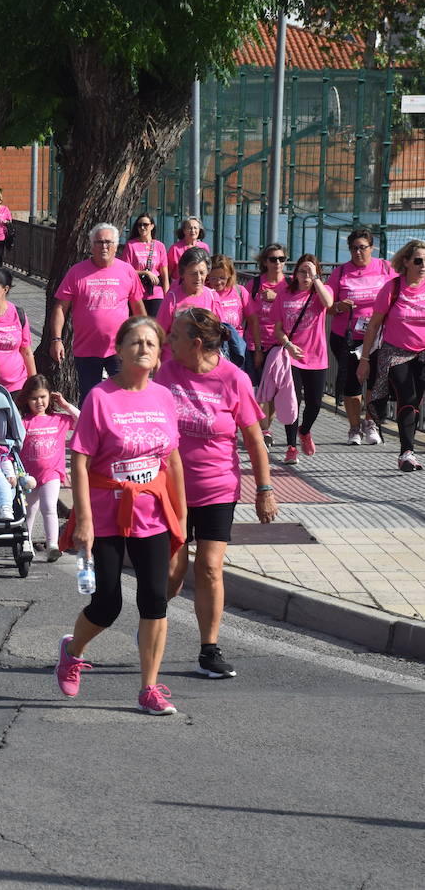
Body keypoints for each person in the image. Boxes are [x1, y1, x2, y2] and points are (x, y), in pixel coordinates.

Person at [56, 315, 186, 715]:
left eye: (151, 342)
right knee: (107, 603)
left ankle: (149, 688)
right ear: (119, 349)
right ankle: (73, 650)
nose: (144, 348)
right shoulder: (101, 397)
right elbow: (79, 462)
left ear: (159, 352)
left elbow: (173, 461)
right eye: (136, 342)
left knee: (155, 600)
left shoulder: (164, 397)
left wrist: (180, 518)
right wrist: (85, 521)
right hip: (107, 511)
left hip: (152, 512)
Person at [157, 308, 277, 679]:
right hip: (171, 489)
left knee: (209, 566)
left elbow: (255, 440)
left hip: (217, 487)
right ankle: (152, 626)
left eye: (174, 335)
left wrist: (265, 489)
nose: (168, 341)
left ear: (195, 343)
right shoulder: (167, 372)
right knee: (173, 574)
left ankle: (209, 649)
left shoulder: (233, 379)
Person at [47, 223, 146, 403]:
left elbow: (138, 308)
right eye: (99, 242)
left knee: (123, 396)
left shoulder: (127, 271)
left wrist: (145, 339)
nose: (104, 246)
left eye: (108, 242)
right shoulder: (76, 272)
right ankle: (91, 430)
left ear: (116, 245)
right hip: (87, 349)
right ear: (92, 245)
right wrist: (56, 340)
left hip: (120, 348)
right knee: (90, 398)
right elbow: (61, 308)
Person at [358, 239, 425, 471]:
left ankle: (409, 449)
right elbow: (374, 325)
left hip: (423, 354)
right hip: (395, 353)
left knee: (416, 401)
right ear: (405, 262)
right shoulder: (393, 288)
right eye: (418, 261)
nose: (423, 265)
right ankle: (406, 452)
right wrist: (365, 360)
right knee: (407, 396)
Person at [327, 228, 395, 445]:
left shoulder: (385, 268)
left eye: (362, 248)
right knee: (351, 383)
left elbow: (401, 293)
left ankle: (371, 423)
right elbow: (327, 305)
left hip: (378, 337)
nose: (358, 252)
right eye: (354, 248)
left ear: (371, 248)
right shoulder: (340, 272)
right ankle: (354, 428)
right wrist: (338, 306)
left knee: (375, 383)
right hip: (347, 336)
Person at [272, 254, 332, 465]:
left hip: (316, 358)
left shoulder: (320, 293)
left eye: (310, 272)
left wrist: (316, 278)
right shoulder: (284, 295)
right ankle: (291, 447)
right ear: (295, 273)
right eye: (302, 271)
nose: (306, 276)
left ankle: (304, 431)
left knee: (315, 403)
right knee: (293, 402)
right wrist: (288, 345)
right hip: (292, 358)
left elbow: (330, 303)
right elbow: (277, 329)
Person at [17, 375, 76, 563]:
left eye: (43, 397)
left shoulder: (59, 419)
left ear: (50, 396)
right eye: (34, 398)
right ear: (27, 400)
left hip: (51, 473)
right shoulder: (23, 422)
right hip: (28, 476)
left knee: (49, 507)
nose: (39, 402)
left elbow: (85, 420)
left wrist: (65, 405)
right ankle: (25, 543)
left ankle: (53, 545)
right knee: (29, 510)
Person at [0, 268, 36, 392]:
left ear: (5, 289)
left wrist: (34, 385)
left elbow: (26, 351)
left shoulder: (18, 313)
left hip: (18, 385)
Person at [246, 243, 287, 393]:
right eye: (273, 259)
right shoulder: (254, 285)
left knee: (276, 391)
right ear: (265, 262)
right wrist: (257, 349)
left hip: (280, 345)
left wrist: (276, 298)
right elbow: (248, 316)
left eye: (281, 259)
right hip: (256, 344)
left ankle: (268, 418)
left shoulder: (290, 285)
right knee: (257, 391)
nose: (278, 263)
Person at [155, 247, 219, 340]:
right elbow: (160, 334)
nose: (198, 277)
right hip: (175, 352)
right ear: (182, 273)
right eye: (193, 273)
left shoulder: (212, 296)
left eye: (202, 273)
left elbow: (217, 333)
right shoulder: (172, 298)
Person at [122, 213, 168, 318]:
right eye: (139, 225)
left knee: (154, 325)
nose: (142, 227)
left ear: (152, 226)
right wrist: (145, 272)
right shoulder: (131, 245)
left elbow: (165, 275)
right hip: (136, 293)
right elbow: (125, 271)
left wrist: (167, 297)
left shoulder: (160, 246)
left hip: (156, 292)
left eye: (145, 224)